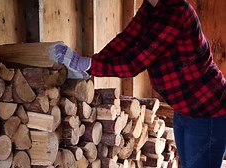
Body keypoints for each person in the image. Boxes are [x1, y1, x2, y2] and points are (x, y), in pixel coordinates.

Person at [49, 0, 226, 167]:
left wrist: (88, 65)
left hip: (209, 110)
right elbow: (126, 40)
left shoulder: (176, 12)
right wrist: (90, 63)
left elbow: (133, 64)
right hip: (185, 108)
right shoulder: (151, 7)